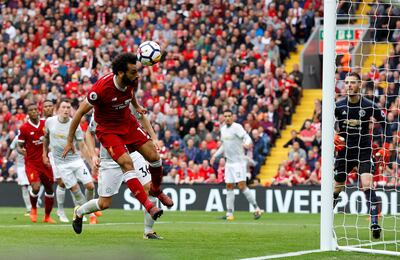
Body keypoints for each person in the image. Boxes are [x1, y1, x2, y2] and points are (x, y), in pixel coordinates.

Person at [63, 53, 170, 233]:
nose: (138, 75)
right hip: (109, 139)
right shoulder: (100, 91)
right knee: (104, 203)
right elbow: (79, 115)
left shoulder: (132, 81)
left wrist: (136, 106)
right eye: (133, 72)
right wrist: (72, 143)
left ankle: (149, 226)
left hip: (127, 127)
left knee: (154, 156)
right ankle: (80, 211)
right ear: (121, 73)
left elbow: (131, 94)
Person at [84, 110, 163, 239]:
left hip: (133, 153)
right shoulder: (101, 110)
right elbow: (89, 132)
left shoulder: (127, 100)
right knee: (104, 203)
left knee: (150, 188)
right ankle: (79, 212)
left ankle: (148, 231)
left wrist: (153, 138)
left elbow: (142, 117)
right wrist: (93, 155)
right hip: (110, 159)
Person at [333, 72, 386, 239]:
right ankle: (327, 220)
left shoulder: (369, 105)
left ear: (359, 85)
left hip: (363, 149)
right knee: (337, 187)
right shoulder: (339, 105)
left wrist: (385, 145)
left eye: (352, 82)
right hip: (344, 151)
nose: (349, 85)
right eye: (347, 82)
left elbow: (385, 123)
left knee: (367, 184)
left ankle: (374, 222)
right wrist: (333, 135)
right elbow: (327, 123)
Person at [43, 99, 98, 224]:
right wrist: (44, 154)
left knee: (90, 186)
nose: (66, 110)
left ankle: (87, 210)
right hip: (60, 163)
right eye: (63, 107)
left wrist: (91, 164)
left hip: (75, 160)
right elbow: (45, 138)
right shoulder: (50, 122)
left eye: (68, 107)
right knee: (72, 188)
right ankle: (85, 213)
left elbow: (82, 145)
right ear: (58, 109)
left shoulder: (75, 123)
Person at [211, 109, 262, 220]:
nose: (228, 118)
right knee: (229, 186)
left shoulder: (237, 127)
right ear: (223, 117)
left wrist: (248, 144)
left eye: (229, 116)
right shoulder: (223, 129)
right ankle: (230, 214)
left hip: (239, 163)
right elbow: (224, 145)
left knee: (242, 186)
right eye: (226, 116)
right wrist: (215, 155)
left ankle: (257, 208)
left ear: (233, 117)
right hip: (229, 163)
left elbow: (247, 137)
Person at [17, 103, 55, 223]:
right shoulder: (24, 128)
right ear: (28, 113)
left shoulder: (45, 124)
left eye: (35, 109)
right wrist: (22, 151)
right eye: (31, 110)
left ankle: (47, 217)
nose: (34, 111)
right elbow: (19, 146)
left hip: (45, 162)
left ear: (39, 111)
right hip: (31, 163)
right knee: (36, 187)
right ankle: (33, 209)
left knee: (49, 189)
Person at [9, 135, 31, 215]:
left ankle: (34, 207)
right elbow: (10, 148)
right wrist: (6, 159)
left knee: (32, 185)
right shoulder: (16, 138)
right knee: (24, 187)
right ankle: (30, 209)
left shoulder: (31, 136)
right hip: (21, 166)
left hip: (31, 164)